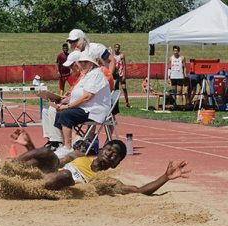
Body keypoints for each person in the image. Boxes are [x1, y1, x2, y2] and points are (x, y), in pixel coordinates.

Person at [11, 129, 190, 194]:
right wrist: (30, 146)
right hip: (48, 174)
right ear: (101, 149)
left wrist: (165, 177)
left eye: (115, 156)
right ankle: (6, 170)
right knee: (46, 152)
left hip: (56, 185)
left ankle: (25, 189)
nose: (110, 155)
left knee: (65, 175)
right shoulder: (77, 156)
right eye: (109, 150)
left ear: (116, 164)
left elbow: (139, 190)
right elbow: (51, 164)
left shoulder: (105, 181)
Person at [53, 50, 111, 158]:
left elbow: (87, 97)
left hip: (94, 110)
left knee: (66, 114)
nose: (83, 64)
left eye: (86, 62)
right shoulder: (87, 75)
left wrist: (68, 106)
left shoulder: (96, 74)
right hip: (85, 107)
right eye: (81, 62)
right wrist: (66, 100)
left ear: (92, 63)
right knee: (60, 113)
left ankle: (68, 147)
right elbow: (79, 94)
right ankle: (64, 145)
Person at [113, 43, 130, 107]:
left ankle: (127, 102)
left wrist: (124, 75)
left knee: (124, 87)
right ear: (114, 48)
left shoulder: (122, 55)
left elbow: (124, 65)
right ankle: (115, 104)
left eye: (118, 47)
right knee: (115, 89)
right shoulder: (112, 56)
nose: (117, 49)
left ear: (119, 48)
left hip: (121, 73)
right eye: (115, 47)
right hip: (115, 74)